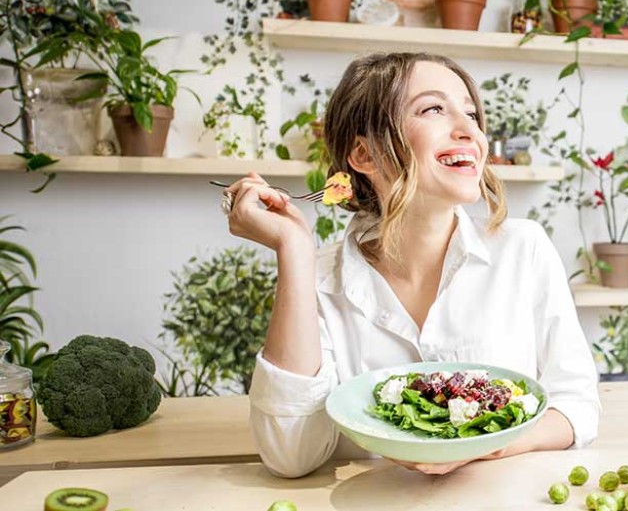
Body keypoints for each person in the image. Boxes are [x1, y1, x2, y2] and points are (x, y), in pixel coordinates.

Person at [221, 52, 601, 478]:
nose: (469, 131)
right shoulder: (319, 277)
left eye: (472, 114)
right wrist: (293, 249)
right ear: (364, 155)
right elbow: (290, 454)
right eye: (434, 109)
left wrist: (483, 445)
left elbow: (576, 405)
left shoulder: (524, 248)